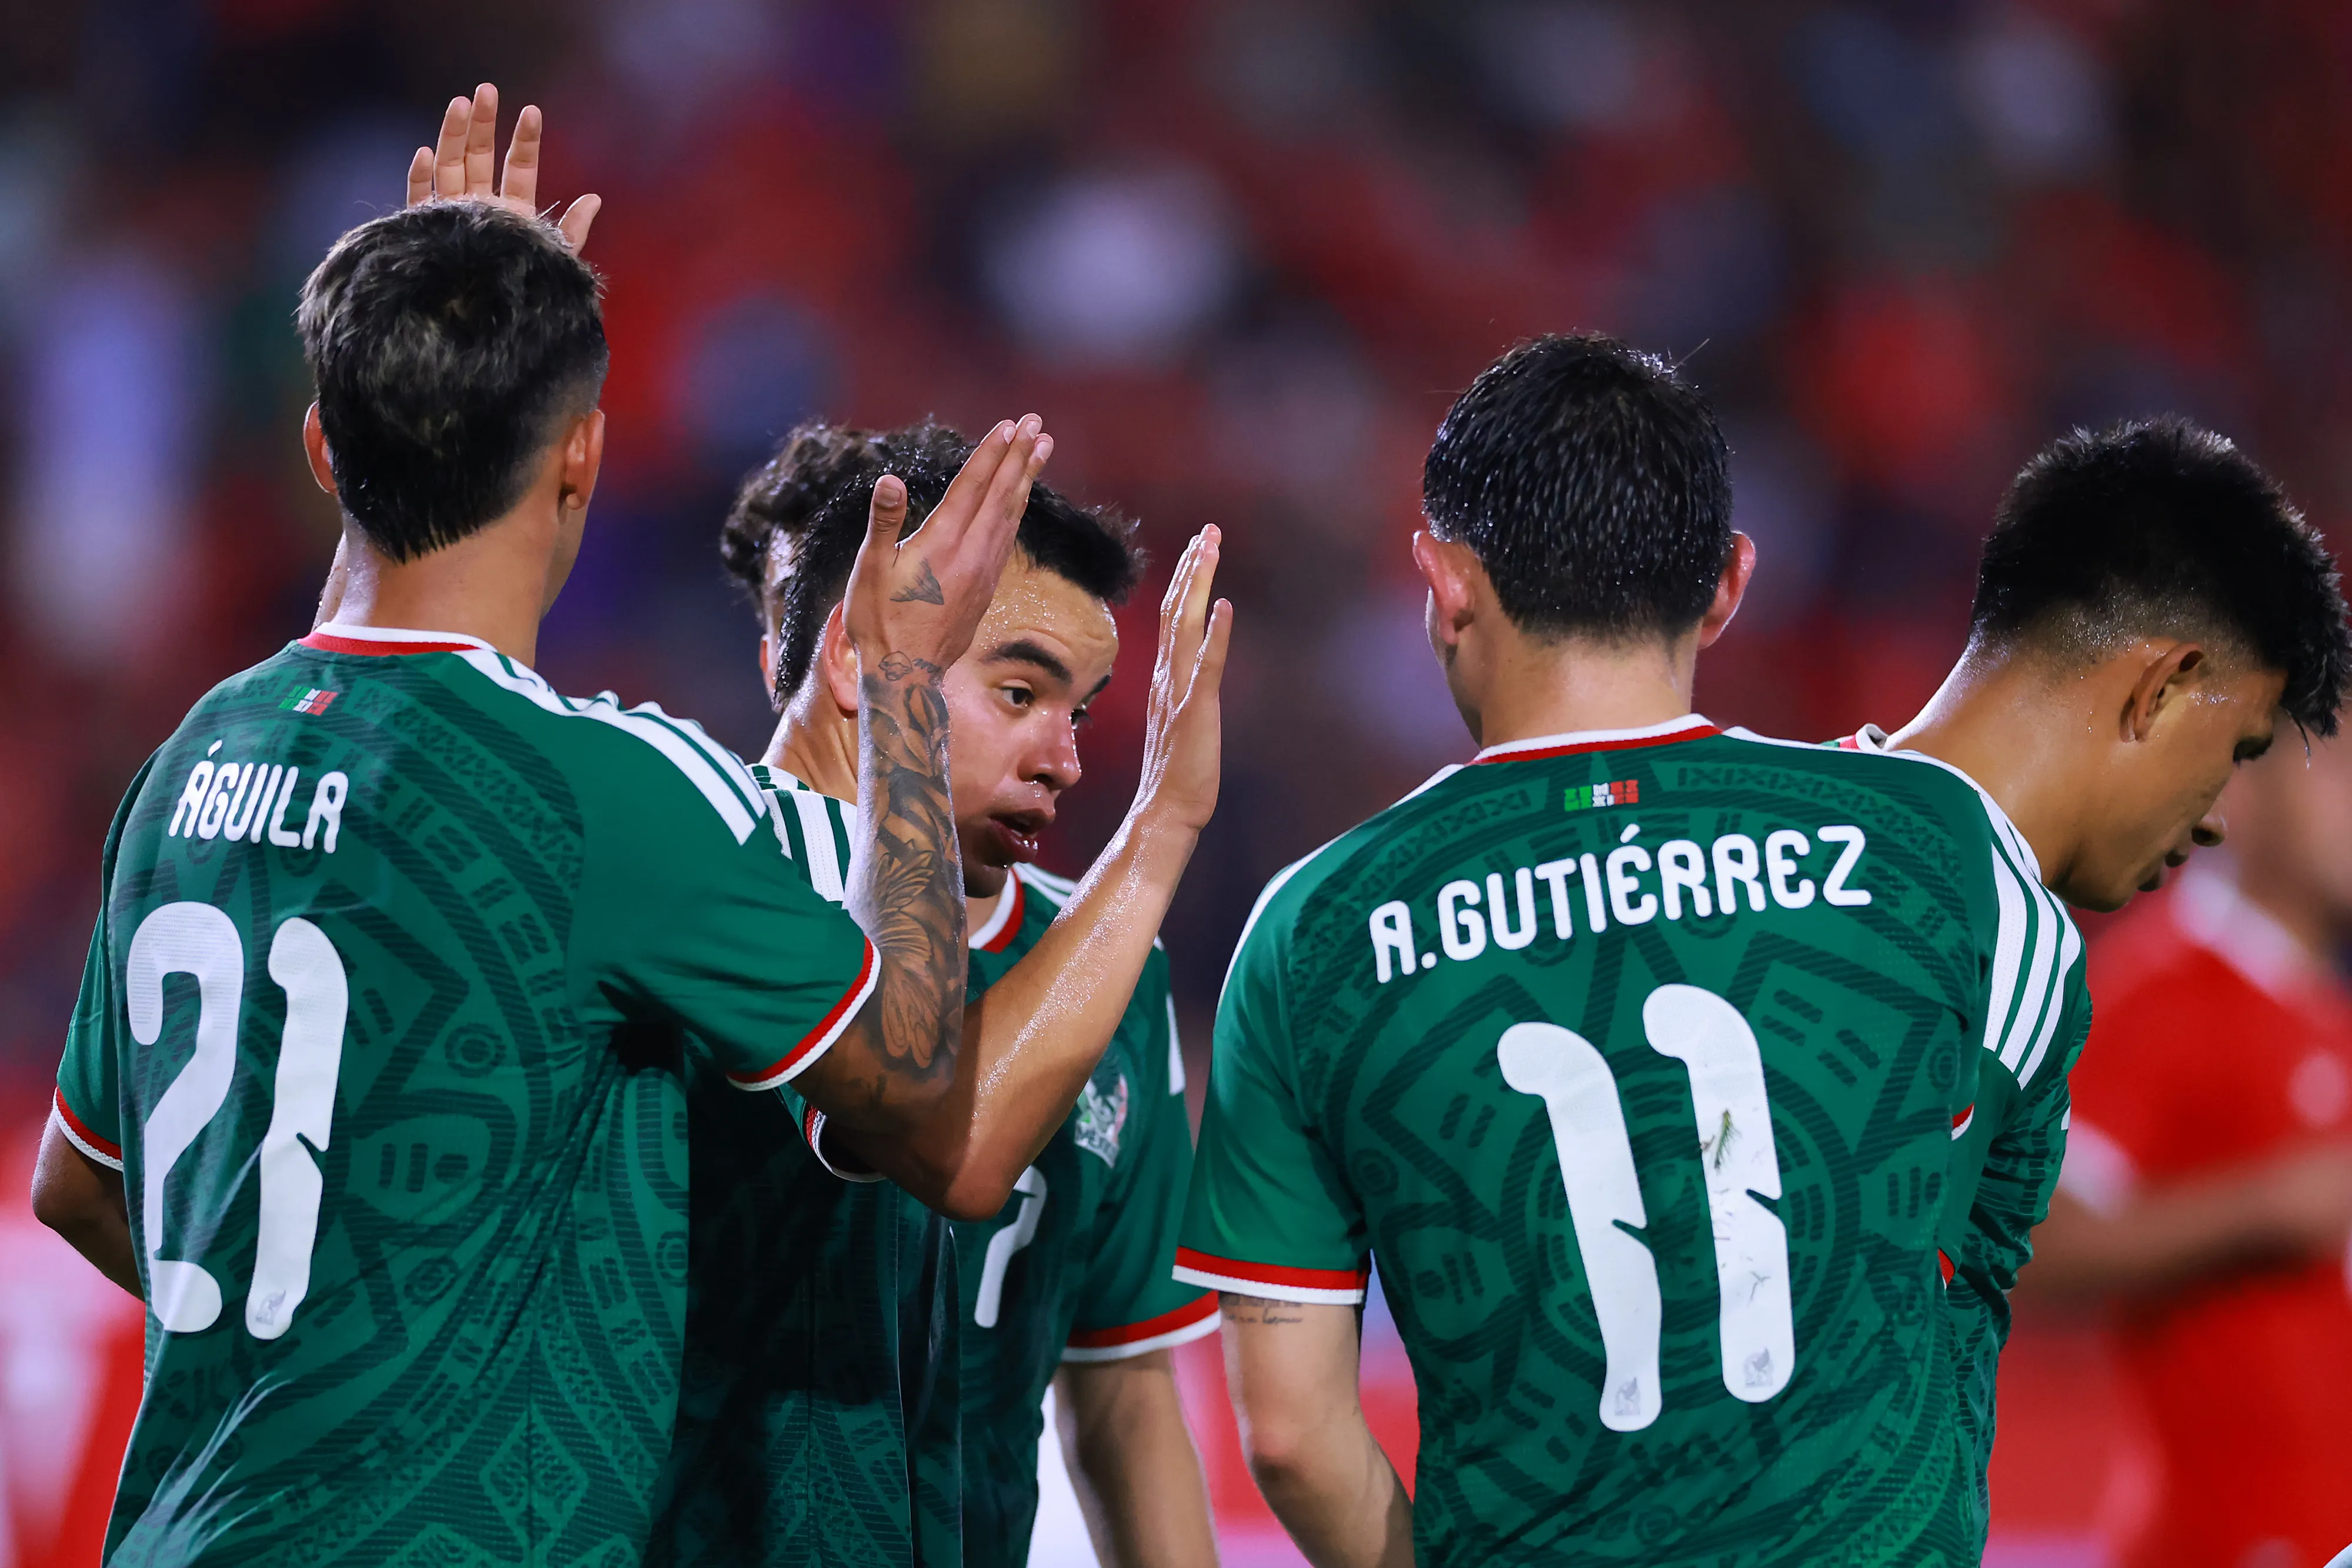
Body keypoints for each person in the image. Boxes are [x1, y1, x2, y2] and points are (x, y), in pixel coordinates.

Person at [29, 88, 1050, 1564]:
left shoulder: (194, 753)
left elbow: (80, 1184)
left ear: (324, 450)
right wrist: (896, 696)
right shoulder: (598, 792)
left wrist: (437, 378)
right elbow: (914, 1089)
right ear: (581, 458)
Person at [1175, 337, 2348, 1566]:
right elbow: (1953, 1289)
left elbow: (1293, 1438)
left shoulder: (1314, 928)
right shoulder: (1949, 863)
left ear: (1442, 582)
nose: (2219, 814)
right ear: (1728, 584)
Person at [656, 421, 1223, 1568]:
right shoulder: (714, 878)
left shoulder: (1108, 960)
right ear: (870, 657)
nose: (1064, 758)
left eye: (1078, 708)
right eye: (1018, 691)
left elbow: (1120, 1387)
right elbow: (951, 1147)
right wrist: (1161, 828)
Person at [2017, 735, 2352, 1567]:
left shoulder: (2321, 1009)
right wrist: (2268, 1207)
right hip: (2229, 1534)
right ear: (2242, 782)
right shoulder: (2152, 987)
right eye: (2345, 770)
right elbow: (2033, 1242)